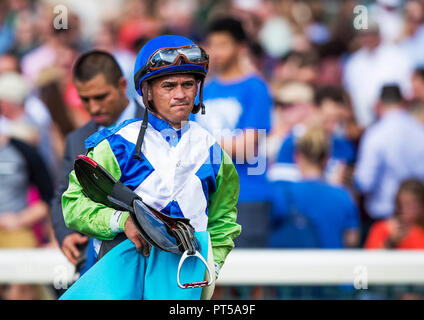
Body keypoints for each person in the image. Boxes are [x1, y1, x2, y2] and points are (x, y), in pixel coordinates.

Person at [61, 35, 241, 300]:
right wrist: (122, 221)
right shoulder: (116, 145)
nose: (181, 94)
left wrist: (210, 269)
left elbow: (223, 220)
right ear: (147, 92)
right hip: (121, 279)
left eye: (188, 84)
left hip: (181, 284)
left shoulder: (213, 152)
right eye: (169, 86)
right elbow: (73, 206)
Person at [50, 50, 145, 271]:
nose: (93, 107)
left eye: (101, 97)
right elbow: (63, 194)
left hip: (152, 257)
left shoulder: (158, 126)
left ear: (122, 85)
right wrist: (66, 235)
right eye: (85, 99)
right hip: (96, 263)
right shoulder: (76, 139)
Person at [196, 16, 272, 248]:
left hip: (247, 195)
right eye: (212, 45)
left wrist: (200, 142)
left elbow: (246, 148)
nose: (215, 52)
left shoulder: (256, 88)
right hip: (208, 197)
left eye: (223, 45)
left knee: (253, 277)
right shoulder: (205, 90)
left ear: (241, 48)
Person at [269, 126, 360, 249]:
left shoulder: (281, 194)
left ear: (297, 157)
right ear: (327, 159)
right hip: (331, 265)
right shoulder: (343, 196)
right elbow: (352, 240)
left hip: (293, 265)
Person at [354, 84, 424, 226]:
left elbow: (365, 182)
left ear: (378, 104)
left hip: (384, 218)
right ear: (404, 102)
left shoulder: (375, 133)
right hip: (417, 216)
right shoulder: (419, 130)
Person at [271, 85, 356, 186]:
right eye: (328, 119)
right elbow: (281, 185)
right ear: (313, 110)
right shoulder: (293, 142)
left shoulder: (344, 147)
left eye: (338, 120)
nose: (332, 126)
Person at [365, 178, 424, 249]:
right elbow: (371, 257)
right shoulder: (381, 229)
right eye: (405, 204)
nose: (408, 209)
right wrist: (390, 242)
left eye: (415, 204)